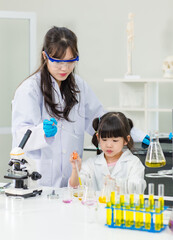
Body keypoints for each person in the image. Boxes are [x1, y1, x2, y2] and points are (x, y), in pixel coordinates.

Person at [12, 26, 148, 188]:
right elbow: (20, 135)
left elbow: (100, 120)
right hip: (40, 180)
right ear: (45, 56)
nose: (64, 68)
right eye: (57, 61)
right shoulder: (30, 90)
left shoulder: (78, 86)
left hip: (72, 179)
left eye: (70, 61)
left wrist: (135, 134)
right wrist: (41, 132)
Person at [69, 112, 146, 191]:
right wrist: (76, 169)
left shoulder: (133, 163)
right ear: (98, 137)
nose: (109, 145)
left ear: (126, 140)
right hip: (97, 203)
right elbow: (75, 186)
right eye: (104, 140)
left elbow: (137, 189)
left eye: (115, 140)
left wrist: (116, 186)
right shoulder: (90, 164)